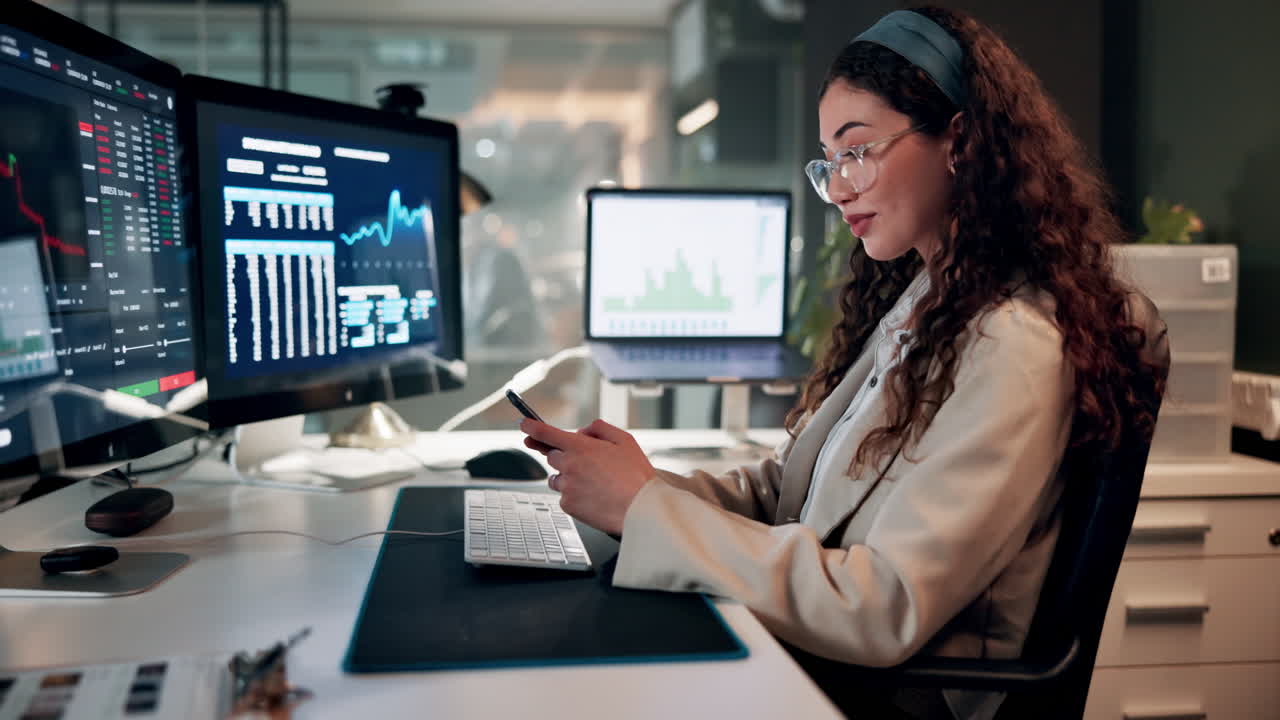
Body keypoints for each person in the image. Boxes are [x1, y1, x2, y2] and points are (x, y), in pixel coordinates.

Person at [519, 7, 1162, 719]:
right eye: (829, 162)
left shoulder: (1015, 343)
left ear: (959, 140)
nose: (839, 188)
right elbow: (784, 494)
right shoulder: (926, 303)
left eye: (857, 151)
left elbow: (883, 606)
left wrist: (647, 509)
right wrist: (638, 488)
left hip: (894, 698)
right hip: (829, 664)